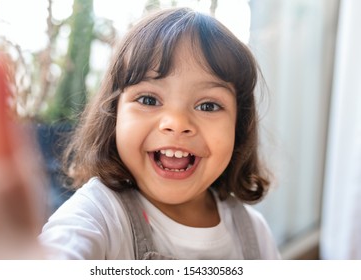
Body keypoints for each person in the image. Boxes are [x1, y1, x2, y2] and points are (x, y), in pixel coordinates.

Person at [38, 7, 280, 260]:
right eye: (149, 100)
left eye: (208, 105)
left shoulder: (254, 232)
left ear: (238, 127)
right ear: (114, 115)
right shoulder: (99, 213)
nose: (176, 123)